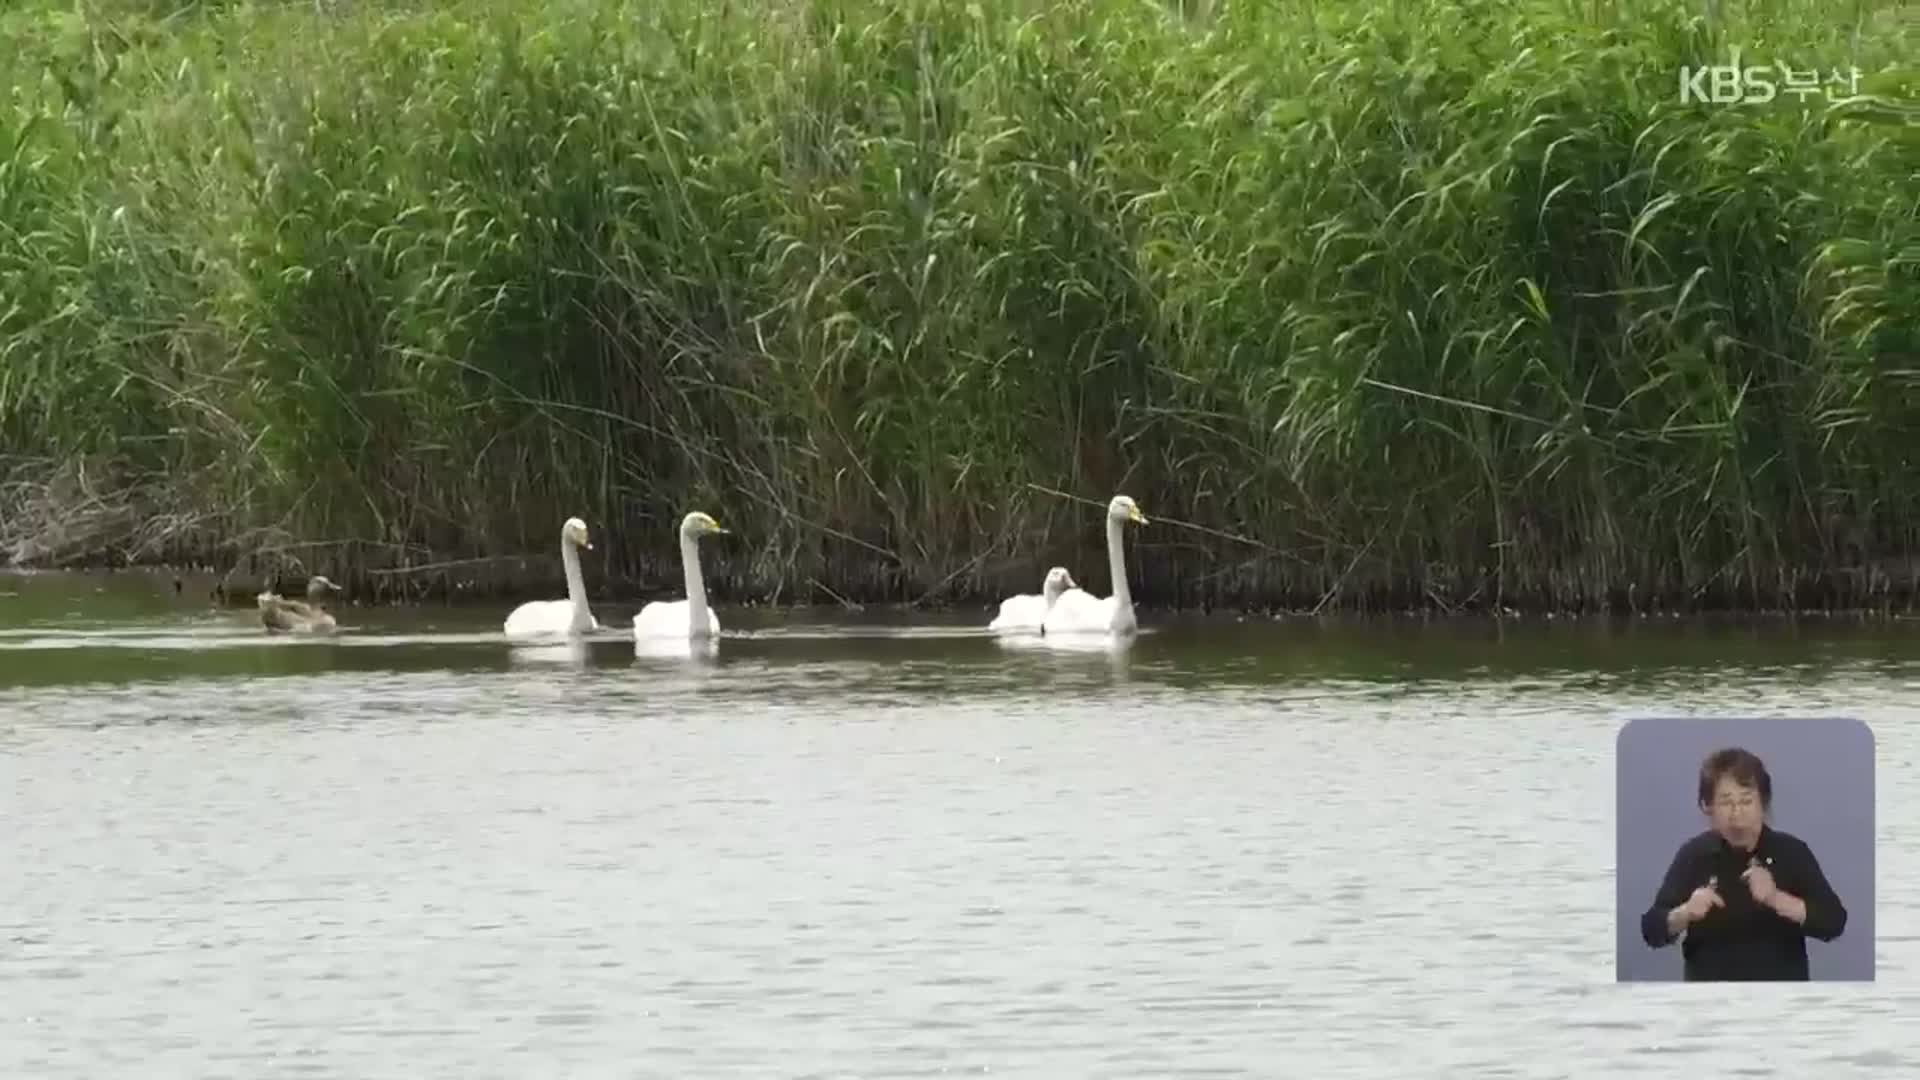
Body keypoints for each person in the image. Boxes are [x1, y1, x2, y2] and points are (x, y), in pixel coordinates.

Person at [1639, 746, 1847, 980]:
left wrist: (1776, 898)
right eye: (1726, 802)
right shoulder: (1694, 854)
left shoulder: (1792, 852)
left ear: (1763, 804)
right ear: (1709, 807)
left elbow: (1834, 921)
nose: (1737, 813)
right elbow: (1651, 929)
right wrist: (1685, 913)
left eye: (1746, 801)